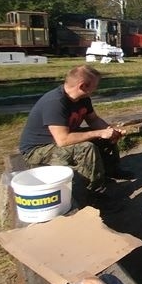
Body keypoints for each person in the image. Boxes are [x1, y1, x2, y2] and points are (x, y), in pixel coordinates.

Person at [18, 65, 130, 209]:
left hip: (60, 141)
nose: (97, 89)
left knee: (104, 135)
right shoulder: (55, 103)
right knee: (86, 148)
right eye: (95, 85)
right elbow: (63, 140)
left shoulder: (83, 98)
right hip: (38, 150)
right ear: (83, 86)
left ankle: (111, 171)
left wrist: (110, 131)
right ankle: (91, 195)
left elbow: (94, 120)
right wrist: (99, 133)